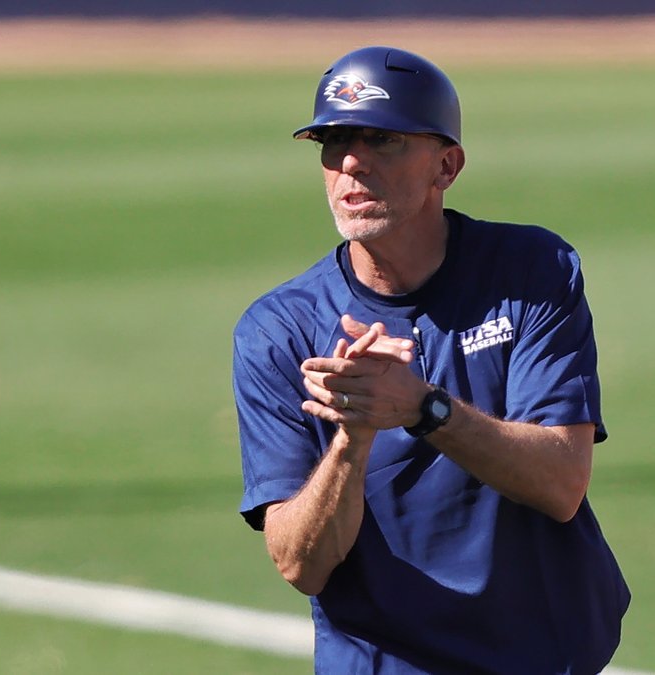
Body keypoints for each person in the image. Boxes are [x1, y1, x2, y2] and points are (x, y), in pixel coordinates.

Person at [233, 46, 630, 674]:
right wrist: (352, 439)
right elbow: (300, 565)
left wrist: (422, 407)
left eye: (381, 140)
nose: (351, 164)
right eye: (332, 143)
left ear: (447, 165)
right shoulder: (278, 331)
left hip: (542, 656)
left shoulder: (531, 273)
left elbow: (560, 484)